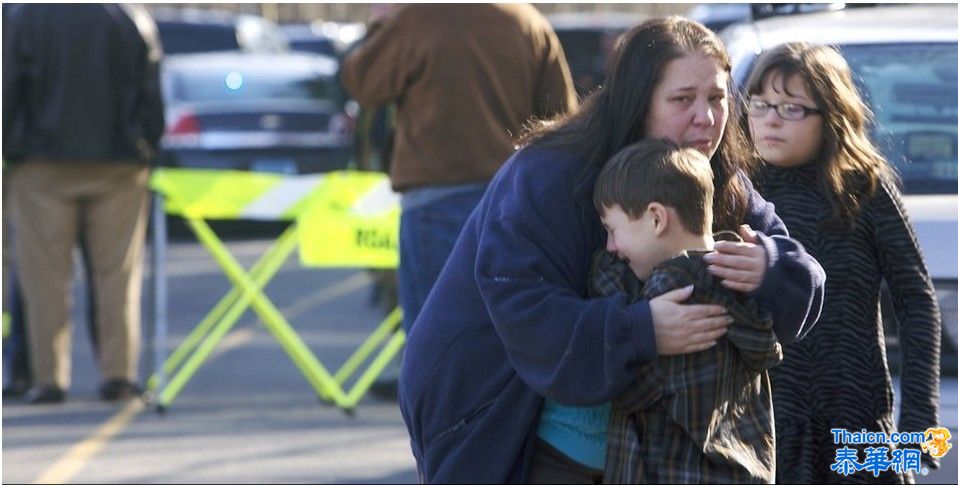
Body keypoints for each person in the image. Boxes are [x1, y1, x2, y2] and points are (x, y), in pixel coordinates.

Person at [399, 17, 824, 483]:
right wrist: (641, 330)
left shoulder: (714, 175)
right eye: (683, 99)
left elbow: (803, 278)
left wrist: (772, 267)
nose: (706, 117)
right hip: (498, 419)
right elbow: (525, 309)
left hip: (644, 452)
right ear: (638, 102)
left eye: (717, 98)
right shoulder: (549, 174)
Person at [745, 43, 941, 483]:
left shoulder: (864, 189)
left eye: (792, 108)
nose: (770, 119)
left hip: (857, 422)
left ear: (831, 117)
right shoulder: (737, 191)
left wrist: (918, 422)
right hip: (766, 425)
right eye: (760, 104)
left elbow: (916, 300)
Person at [339, 4, 578, 334]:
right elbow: (564, 124)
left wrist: (381, 22)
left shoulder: (419, 17)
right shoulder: (528, 22)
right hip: (514, 206)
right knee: (506, 338)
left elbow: (362, 81)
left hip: (436, 204)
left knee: (435, 344)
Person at [589, 139, 781, 483]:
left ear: (656, 218)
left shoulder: (675, 290)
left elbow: (626, 390)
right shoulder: (738, 281)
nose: (611, 247)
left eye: (612, 230)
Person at [2, 4, 165, 404]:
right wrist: (147, 144)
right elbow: (151, 89)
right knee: (118, 275)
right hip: (119, 163)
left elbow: (7, 86)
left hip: (41, 164)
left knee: (44, 279)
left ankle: (48, 378)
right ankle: (118, 374)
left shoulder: (26, 17)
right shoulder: (130, 16)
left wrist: (9, 148)